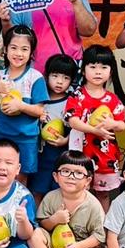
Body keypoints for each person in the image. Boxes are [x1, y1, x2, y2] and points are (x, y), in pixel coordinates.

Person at [0, 25, 47, 183]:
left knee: (21, 178)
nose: (18, 53)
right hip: (1, 135)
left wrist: (21, 106)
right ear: (5, 50)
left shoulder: (35, 77)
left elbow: (39, 110)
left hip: (26, 139)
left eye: (24, 49)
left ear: (31, 52)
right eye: (13, 48)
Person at [66, 44, 125, 210]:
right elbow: (73, 121)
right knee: (79, 192)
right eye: (92, 67)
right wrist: (94, 130)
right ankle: (79, 222)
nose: (98, 72)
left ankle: (102, 224)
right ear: (83, 70)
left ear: (111, 71)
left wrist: (112, 124)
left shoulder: (112, 99)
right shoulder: (77, 95)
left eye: (104, 67)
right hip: (81, 154)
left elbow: (122, 124)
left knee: (103, 194)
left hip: (105, 156)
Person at [28, 53, 77, 203]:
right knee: (37, 190)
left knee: (59, 193)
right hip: (40, 155)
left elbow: (78, 128)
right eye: (55, 76)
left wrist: (66, 140)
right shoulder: (39, 100)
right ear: (47, 75)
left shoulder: (72, 101)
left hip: (61, 155)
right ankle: (36, 217)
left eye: (66, 78)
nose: (59, 82)